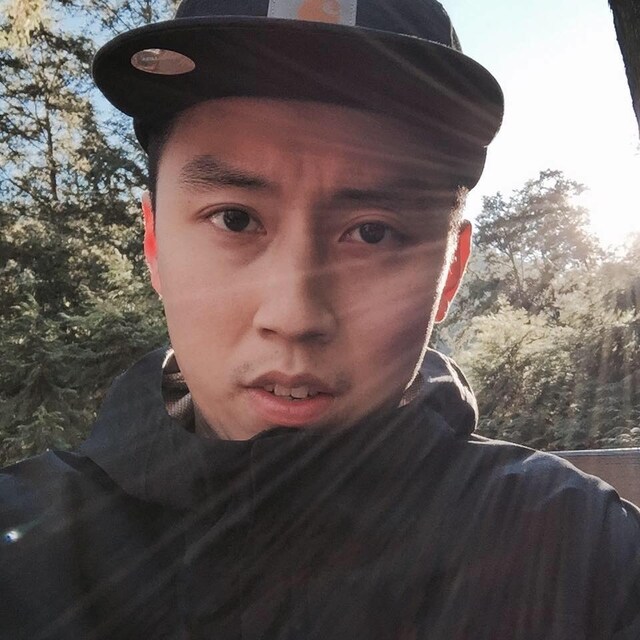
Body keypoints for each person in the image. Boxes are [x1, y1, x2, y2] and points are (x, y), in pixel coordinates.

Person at [2, 1, 639, 638]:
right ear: (155, 245)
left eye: (372, 232)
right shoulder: (22, 556)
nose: (295, 315)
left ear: (450, 274)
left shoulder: (589, 560)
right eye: (235, 219)